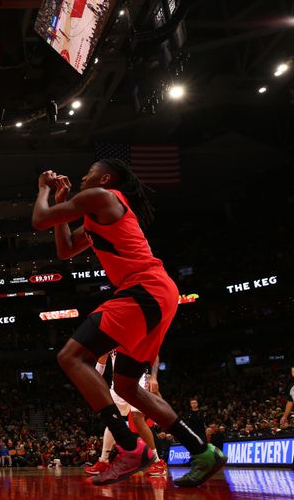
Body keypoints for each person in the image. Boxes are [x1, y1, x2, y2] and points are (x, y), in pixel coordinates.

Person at [31, 160, 226, 487]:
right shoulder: (98, 211)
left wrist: (44, 190)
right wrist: (62, 206)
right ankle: (202, 450)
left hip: (143, 289)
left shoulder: (103, 196)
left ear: (105, 178)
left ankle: (129, 447)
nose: (84, 175)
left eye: (89, 170)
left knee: (70, 356)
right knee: (124, 386)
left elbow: (39, 218)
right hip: (158, 293)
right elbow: (65, 250)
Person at [85, 352, 167, 477]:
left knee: (137, 418)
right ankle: (103, 461)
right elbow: (102, 359)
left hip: (138, 381)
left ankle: (157, 462)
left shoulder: (136, 334)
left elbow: (154, 353)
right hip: (118, 383)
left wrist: (153, 376)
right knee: (111, 418)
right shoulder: (111, 337)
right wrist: (94, 381)